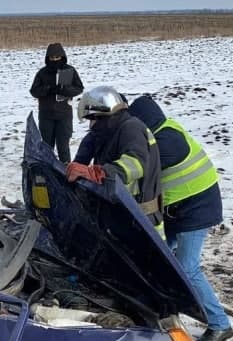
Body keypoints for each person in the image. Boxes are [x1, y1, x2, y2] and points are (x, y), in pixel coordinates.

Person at [128, 95, 232, 341]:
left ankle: (220, 325)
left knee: (188, 267)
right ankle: (164, 311)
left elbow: (141, 174)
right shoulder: (162, 130)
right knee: (160, 258)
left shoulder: (166, 142)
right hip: (179, 210)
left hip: (197, 211)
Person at [69, 86, 164, 237]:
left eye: (93, 118)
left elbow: (136, 164)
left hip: (141, 224)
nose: (91, 125)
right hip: (122, 218)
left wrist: (99, 173)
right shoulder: (109, 132)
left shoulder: (131, 128)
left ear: (104, 114)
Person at [30, 43, 84, 163]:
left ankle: (66, 173)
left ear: (62, 57)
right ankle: (47, 172)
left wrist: (66, 90)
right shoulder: (42, 73)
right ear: (47, 58)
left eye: (57, 57)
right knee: (47, 148)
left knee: (63, 148)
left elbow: (79, 88)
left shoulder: (69, 71)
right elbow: (34, 91)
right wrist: (47, 89)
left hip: (64, 115)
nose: (54, 60)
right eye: (52, 58)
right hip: (46, 115)